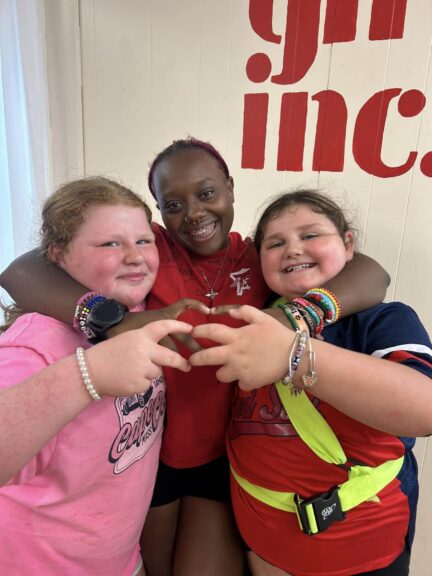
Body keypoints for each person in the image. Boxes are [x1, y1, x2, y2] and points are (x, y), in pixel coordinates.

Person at [0, 140, 390, 576]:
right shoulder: (153, 249)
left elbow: (373, 273)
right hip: (145, 456)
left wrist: (293, 315)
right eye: (173, 204)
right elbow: (20, 269)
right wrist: (110, 321)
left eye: (206, 194)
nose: (195, 213)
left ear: (229, 187)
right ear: (160, 213)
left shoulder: (257, 255)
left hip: (221, 454)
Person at [189, 190, 432, 576]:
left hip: (363, 550)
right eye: (276, 242)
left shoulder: (381, 320)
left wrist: (294, 355)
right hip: (264, 546)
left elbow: (424, 410)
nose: (293, 249)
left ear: (348, 244)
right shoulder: (252, 315)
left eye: (310, 235)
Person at [0, 177, 195, 576]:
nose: (135, 257)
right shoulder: (33, 346)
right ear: (57, 255)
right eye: (110, 244)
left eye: (143, 241)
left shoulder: (136, 306)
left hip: (121, 558)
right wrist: (88, 374)